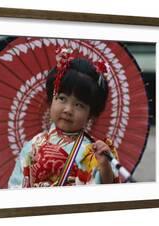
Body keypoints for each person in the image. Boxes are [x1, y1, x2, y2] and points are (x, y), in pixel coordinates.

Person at [8, 48, 120, 188]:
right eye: (62, 98)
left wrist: (104, 165)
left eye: (79, 105)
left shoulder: (93, 152)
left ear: (90, 113)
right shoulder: (32, 146)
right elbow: (16, 186)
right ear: (51, 99)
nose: (68, 110)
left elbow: (106, 191)